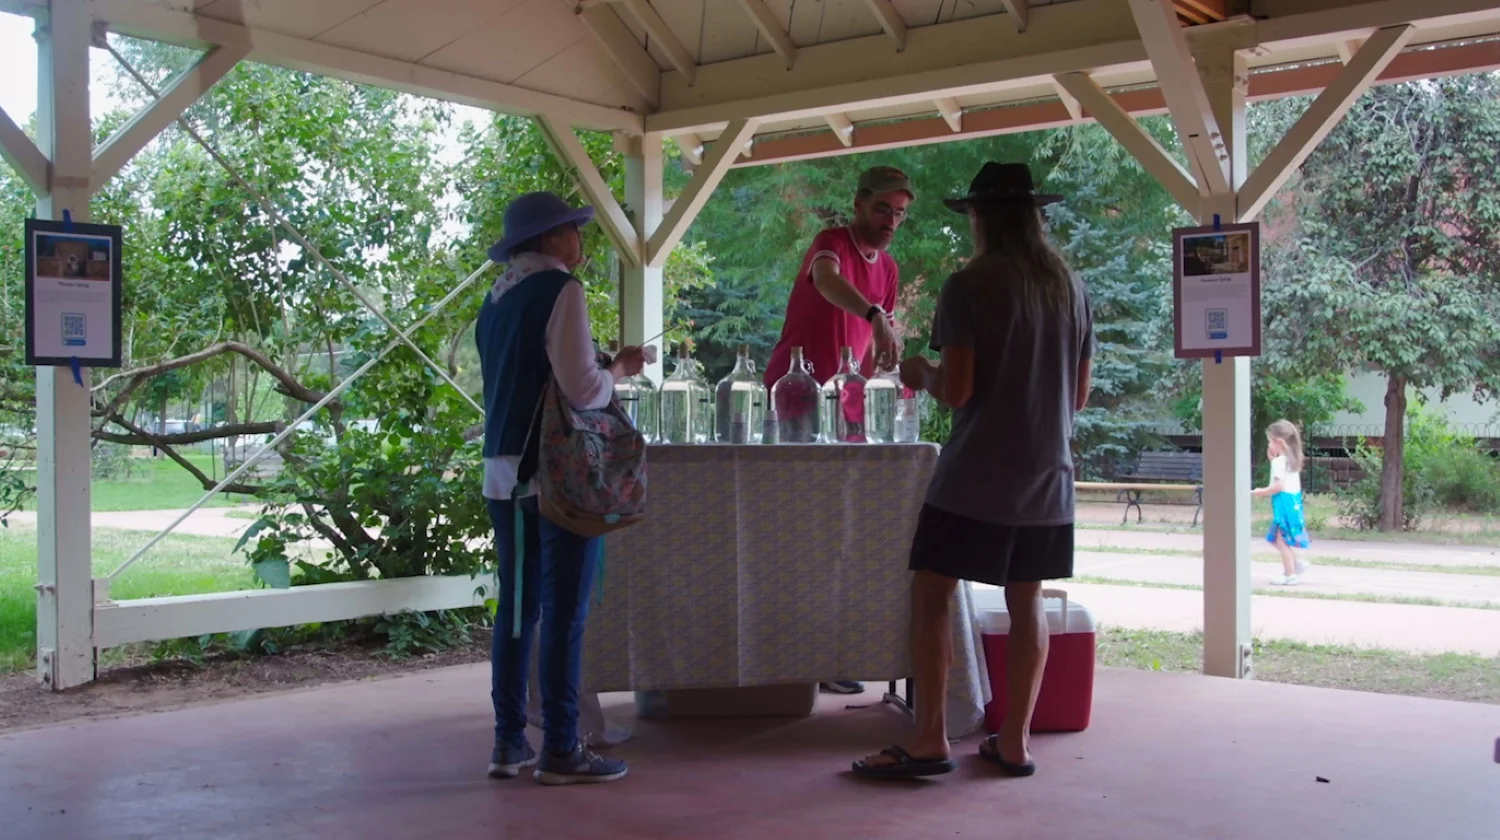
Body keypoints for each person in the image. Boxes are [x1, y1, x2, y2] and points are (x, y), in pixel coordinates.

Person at [852, 162, 1094, 780]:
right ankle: (1013, 742)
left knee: (932, 592)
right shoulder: (1070, 288)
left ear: (980, 217)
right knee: (1027, 600)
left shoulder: (969, 285)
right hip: (1049, 475)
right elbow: (1079, 397)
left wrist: (917, 373)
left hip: (979, 474)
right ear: (1036, 217)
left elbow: (956, 390)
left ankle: (930, 737)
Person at [477, 191, 648, 786]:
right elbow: (581, 389)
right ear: (552, 239)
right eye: (575, 230)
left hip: (503, 470)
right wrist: (619, 368)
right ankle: (561, 747)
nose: (581, 240)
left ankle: (508, 742)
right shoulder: (561, 289)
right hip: (555, 473)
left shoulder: (495, 298)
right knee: (566, 613)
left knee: (517, 610)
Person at [761, 165, 914, 695]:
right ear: (858, 204)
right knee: (793, 523)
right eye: (882, 210)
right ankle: (788, 649)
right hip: (795, 394)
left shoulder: (889, 268)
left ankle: (827, 648)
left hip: (844, 408)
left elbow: (875, 352)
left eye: (899, 214)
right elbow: (827, 282)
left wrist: (874, 398)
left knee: (839, 527)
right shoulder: (830, 243)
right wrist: (873, 312)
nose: (891, 221)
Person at [1254, 419, 1311, 585]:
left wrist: (1259, 492)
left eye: (1270, 441)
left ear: (1278, 442)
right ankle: (1296, 563)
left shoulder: (1280, 462)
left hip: (1284, 505)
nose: (1269, 445)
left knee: (1280, 540)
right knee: (1274, 538)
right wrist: (1273, 460)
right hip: (1292, 504)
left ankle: (1290, 574)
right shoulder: (1291, 460)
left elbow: (1278, 486)